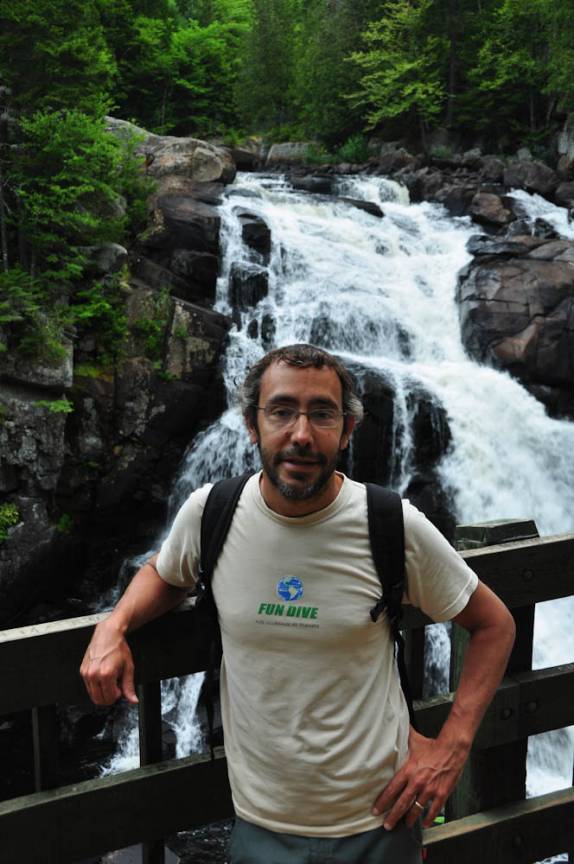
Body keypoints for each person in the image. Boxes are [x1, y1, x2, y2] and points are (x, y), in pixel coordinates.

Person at [81, 343, 516, 864]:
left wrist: (452, 748)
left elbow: (493, 624)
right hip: (261, 828)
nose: (302, 434)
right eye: (282, 411)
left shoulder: (392, 524)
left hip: (379, 824)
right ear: (251, 423)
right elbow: (165, 571)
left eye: (322, 414)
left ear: (347, 430)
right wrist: (115, 624)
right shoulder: (211, 513)